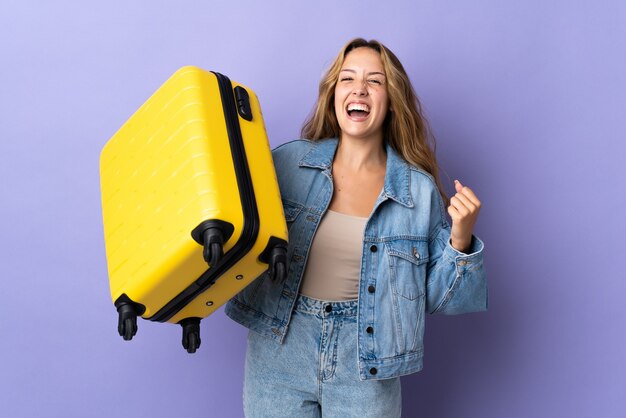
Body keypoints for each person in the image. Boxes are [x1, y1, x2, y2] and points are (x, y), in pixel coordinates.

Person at [225, 38, 487, 417]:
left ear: (391, 99)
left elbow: (436, 299)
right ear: (334, 93)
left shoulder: (417, 191)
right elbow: (238, 230)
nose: (359, 88)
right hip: (280, 349)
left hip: (366, 360)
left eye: (375, 81)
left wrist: (461, 237)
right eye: (347, 78)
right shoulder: (287, 164)